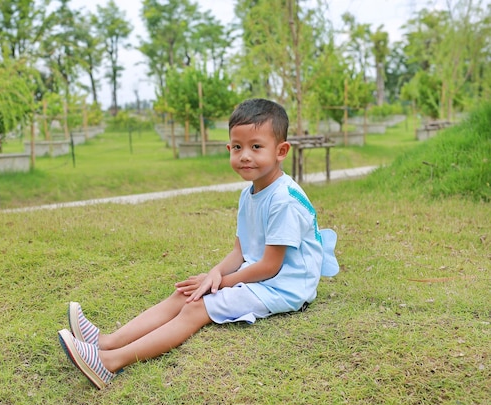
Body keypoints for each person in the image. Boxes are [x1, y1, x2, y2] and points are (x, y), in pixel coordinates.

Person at [57, 98, 339, 389]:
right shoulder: (250, 194)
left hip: (286, 287)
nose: (245, 156)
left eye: (256, 147)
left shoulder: (284, 199)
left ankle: (108, 363)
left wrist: (222, 282)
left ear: (281, 151)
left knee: (196, 308)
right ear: (228, 149)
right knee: (186, 293)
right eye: (238, 147)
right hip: (263, 276)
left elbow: (270, 266)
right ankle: (105, 342)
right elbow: (239, 251)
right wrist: (214, 274)